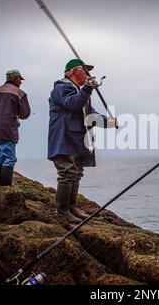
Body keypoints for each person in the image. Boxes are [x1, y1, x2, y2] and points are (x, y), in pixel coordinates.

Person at [48, 59, 117, 224]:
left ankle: (71, 207)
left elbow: (90, 115)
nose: (87, 73)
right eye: (84, 70)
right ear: (73, 71)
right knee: (67, 173)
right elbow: (73, 104)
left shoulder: (79, 92)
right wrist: (88, 88)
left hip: (77, 139)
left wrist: (109, 122)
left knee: (76, 173)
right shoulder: (61, 88)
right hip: (64, 138)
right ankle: (62, 210)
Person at [0, 70, 31, 186]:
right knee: (9, 158)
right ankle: (6, 188)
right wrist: (14, 116)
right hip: (8, 130)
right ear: (14, 79)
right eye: (20, 79)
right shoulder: (19, 93)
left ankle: (0, 187)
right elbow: (25, 114)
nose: (21, 82)